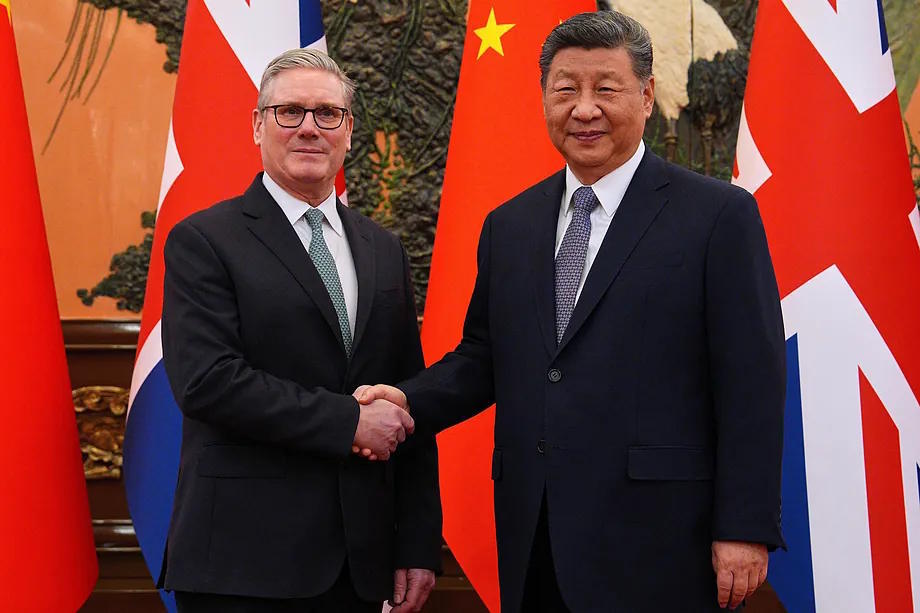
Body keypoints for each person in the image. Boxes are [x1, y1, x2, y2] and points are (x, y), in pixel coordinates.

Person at [358, 10, 785, 613]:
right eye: (566, 90)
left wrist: (744, 526)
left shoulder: (717, 217)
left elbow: (752, 381)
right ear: (544, 101)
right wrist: (410, 401)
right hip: (535, 534)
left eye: (606, 89)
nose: (585, 109)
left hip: (662, 539)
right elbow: (485, 356)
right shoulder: (509, 225)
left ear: (646, 95)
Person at [158, 48, 441, 612]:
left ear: (349, 131)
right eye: (289, 112)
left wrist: (417, 542)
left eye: (327, 113)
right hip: (242, 564)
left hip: (360, 564)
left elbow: (409, 398)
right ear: (258, 126)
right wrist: (350, 422)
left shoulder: (383, 250)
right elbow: (207, 382)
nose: (310, 127)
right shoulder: (204, 240)